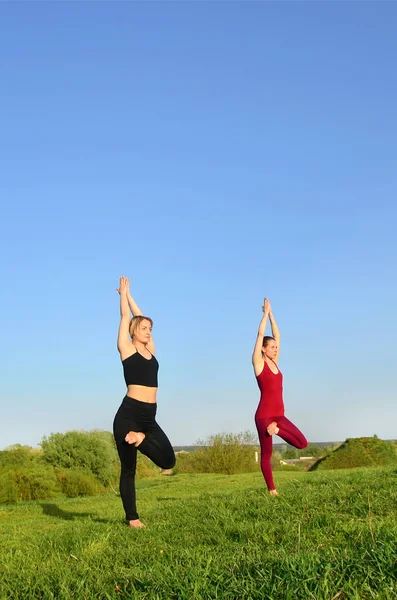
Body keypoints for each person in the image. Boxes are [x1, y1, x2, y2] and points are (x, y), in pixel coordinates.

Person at [113, 276, 175, 527]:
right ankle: (133, 518)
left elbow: (140, 316)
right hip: (128, 416)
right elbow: (127, 318)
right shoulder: (126, 348)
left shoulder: (151, 351)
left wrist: (131, 296)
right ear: (133, 332)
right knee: (129, 470)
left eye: (151, 329)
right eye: (144, 329)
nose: (148, 331)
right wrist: (122, 299)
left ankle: (140, 439)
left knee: (169, 461)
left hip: (148, 419)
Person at [252, 298, 307, 495]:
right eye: (272, 347)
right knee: (267, 454)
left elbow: (278, 335)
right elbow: (260, 334)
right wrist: (264, 316)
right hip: (264, 416)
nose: (276, 349)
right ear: (263, 349)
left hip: (278, 418)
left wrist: (272, 314)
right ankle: (272, 490)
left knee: (302, 443)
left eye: (276, 347)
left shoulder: (276, 362)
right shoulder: (259, 363)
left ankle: (276, 431)